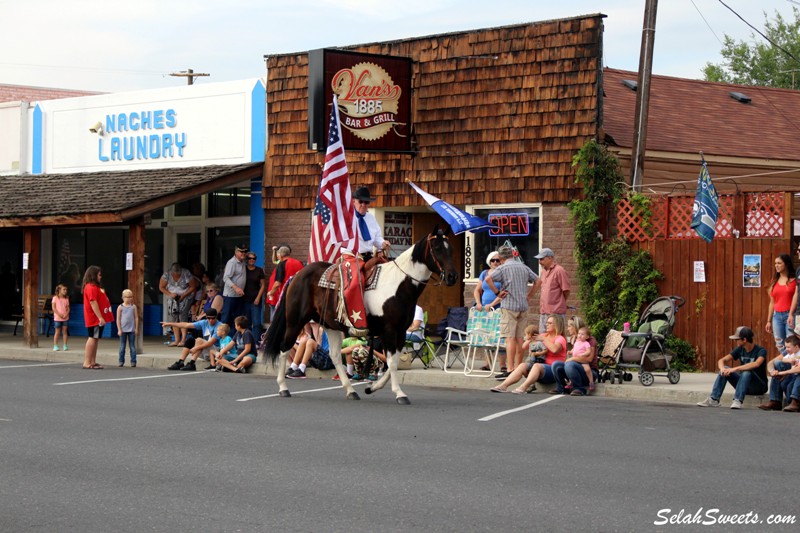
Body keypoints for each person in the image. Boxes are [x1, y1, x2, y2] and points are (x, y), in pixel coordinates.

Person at [484, 245, 538, 378]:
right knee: (520, 338)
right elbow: (538, 280)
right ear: (513, 255)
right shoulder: (523, 267)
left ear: (501, 258)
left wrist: (497, 292)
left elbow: (487, 279)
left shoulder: (503, 268)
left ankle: (510, 368)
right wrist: (530, 296)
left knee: (510, 339)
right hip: (523, 306)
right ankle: (519, 367)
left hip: (509, 306)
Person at [491, 315, 567, 393]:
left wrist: (544, 339)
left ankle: (523, 387)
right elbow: (526, 347)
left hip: (553, 371)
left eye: (550, 323)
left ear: (557, 325)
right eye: (547, 323)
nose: (547, 324)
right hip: (538, 370)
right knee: (522, 365)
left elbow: (555, 350)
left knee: (537, 366)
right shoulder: (543, 335)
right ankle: (503, 386)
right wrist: (530, 339)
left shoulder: (560, 338)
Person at [697, 326, 768, 409]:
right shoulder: (739, 349)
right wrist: (723, 369)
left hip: (759, 386)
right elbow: (721, 360)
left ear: (744, 340)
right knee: (726, 368)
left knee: (746, 372)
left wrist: (734, 369)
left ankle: (737, 400)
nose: (735, 341)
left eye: (736, 339)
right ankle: (714, 399)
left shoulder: (761, 351)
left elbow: (756, 364)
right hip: (744, 384)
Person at [162, 307, 222, 372]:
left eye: (213, 318)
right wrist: (169, 324)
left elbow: (210, 343)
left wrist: (196, 348)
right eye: (208, 318)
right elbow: (186, 325)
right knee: (190, 340)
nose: (210, 320)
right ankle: (181, 362)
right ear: (206, 317)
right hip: (205, 350)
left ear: (216, 317)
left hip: (215, 352)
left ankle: (192, 363)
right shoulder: (204, 322)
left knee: (199, 340)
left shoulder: (219, 326)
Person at [531, 248, 571, 333]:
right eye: (539, 259)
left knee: (556, 337)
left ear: (550, 258)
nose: (540, 261)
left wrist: (561, 302)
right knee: (543, 337)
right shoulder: (543, 272)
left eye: (542, 259)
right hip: (544, 311)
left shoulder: (559, 270)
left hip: (556, 312)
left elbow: (566, 290)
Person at [81, 265, 113, 370]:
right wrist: (100, 317)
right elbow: (93, 302)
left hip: (97, 317)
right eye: (99, 275)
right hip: (94, 318)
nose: (100, 277)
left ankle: (92, 361)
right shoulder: (90, 287)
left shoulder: (95, 287)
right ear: (93, 275)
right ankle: (87, 362)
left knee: (96, 338)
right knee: (92, 338)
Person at [159, 262, 198, 347]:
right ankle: (176, 340)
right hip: (172, 298)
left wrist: (183, 295)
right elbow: (161, 287)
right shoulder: (167, 274)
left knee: (182, 317)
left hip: (185, 296)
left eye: (178, 273)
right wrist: (170, 294)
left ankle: (183, 340)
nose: (177, 275)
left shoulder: (186, 273)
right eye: (175, 274)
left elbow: (193, 286)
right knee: (173, 318)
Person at [759, 334, 800, 411]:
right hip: (792, 374)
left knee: (792, 383)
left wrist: (782, 373)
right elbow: (772, 363)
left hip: (796, 374)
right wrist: (773, 372)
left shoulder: (796, 348)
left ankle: (795, 402)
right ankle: (775, 400)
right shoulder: (791, 349)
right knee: (778, 364)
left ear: (796, 346)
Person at [766, 253, 796, 356]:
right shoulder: (774, 280)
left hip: (790, 315)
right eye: (775, 263)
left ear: (786, 264)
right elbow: (772, 302)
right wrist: (769, 321)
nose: (776, 266)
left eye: (779, 263)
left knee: (791, 343)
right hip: (776, 316)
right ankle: (787, 366)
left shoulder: (795, 280)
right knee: (780, 345)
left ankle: (793, 369)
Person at [352, 186, 390, 261]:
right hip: (353, 258)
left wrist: (383, 243)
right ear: (354, 201)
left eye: (366, 202)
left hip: (369, 257)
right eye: (360, 202)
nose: (363, 205)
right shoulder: (348, 218)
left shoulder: (371, 218)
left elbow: (377, 238)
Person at [222, 244, 249, 327]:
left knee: (238, 320)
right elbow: (225, 278)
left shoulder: (243, 261)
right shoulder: (231, 263)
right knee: (226, 319)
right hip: (230, 296)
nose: (243, 253)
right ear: (236, 251)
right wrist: (236, 288)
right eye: (241, 251)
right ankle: (221, 339)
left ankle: (235, 339)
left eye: (245, 251)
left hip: (239, 296)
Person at [243, 251, 266, 340]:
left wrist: (258, 297)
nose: (252, 260)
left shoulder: (259, 270)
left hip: (255, 299)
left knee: (256, 322)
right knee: (246, 322)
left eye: (253, 258)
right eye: (250, 258)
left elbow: (263, 285)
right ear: (247, 260)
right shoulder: (243, 269)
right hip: (244, 300)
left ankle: (256, 342)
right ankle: (247, 341)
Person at [569, 325, 596, 393]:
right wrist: (571, 351)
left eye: (582, 334)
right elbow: (574, 349)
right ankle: (570, 382)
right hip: (576, 360)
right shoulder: (576, 342)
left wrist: (583, 354)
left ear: (587, 337)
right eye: (579, 334)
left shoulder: (586, 343)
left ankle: (591, 382)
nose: (580, 335)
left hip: (583, 360)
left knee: (587, 369)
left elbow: (588, 351)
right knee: (571, 369)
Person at [116, 289, 138, 367]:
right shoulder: (120, 307)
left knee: (132, 346)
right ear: (123, 297)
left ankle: (133, 361)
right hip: (123, 330)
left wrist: (136, 328)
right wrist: (119, 329)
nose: (129, 299)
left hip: (131, 329)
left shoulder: (133, 307)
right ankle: (121, 361)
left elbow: (136, 318)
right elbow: (118, 319)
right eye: (127, 297)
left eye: (130, 297)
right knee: (122, 346)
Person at [52, 284, 70, 351]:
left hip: (65, 318)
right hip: (57, 318)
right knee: (57, 332)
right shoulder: (55, 298)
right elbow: (53, 308)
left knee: (65, 331)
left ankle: (65, 345)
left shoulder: (66, 299)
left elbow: (68, 308)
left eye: (66, 290)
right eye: (64, 289)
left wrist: (66, 314)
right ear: (59, 290)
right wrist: (59, 314)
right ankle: (55, 345)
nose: (65, 291)